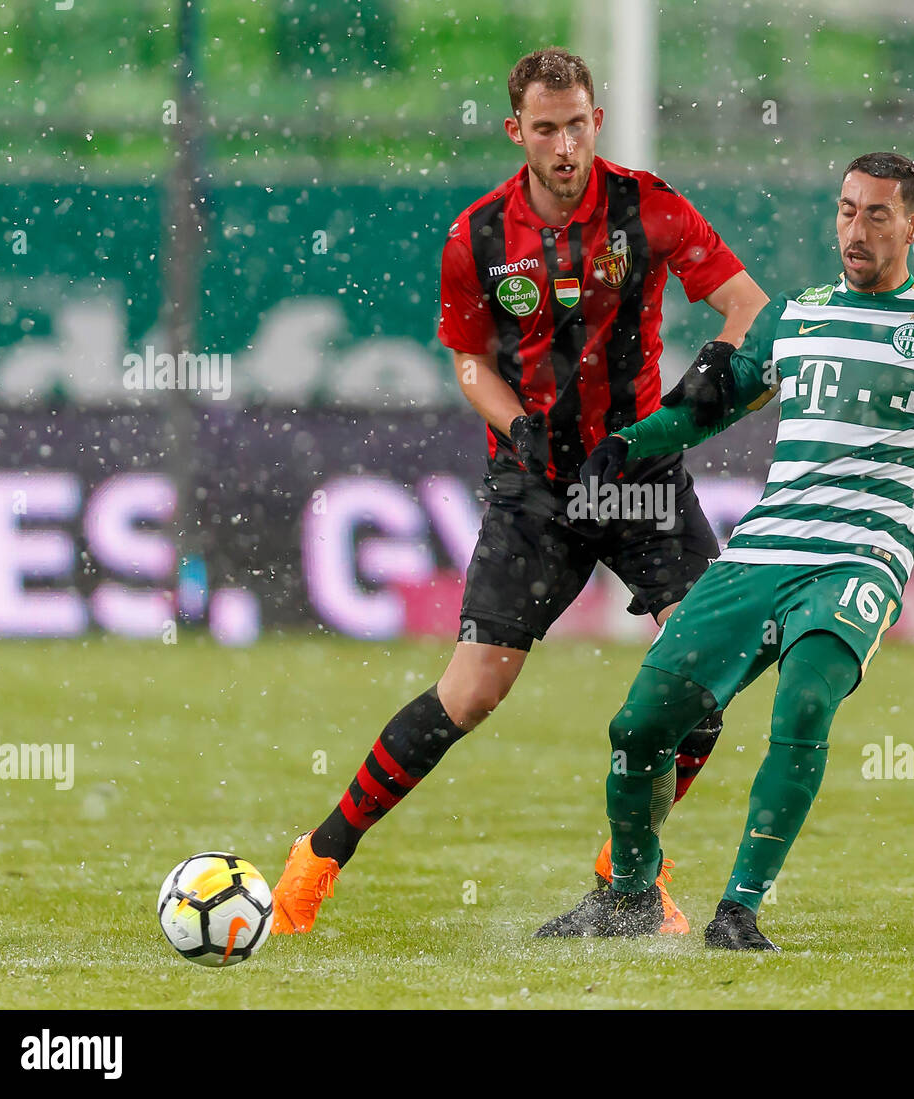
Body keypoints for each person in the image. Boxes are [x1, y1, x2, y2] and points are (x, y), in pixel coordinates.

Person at [271, 47, 769, 936]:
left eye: (578, 123)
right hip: (537, 491)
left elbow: (746, 304)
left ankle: (626, 881)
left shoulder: (647, 207)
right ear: (517, 132)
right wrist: (517, 423)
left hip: (638, 478)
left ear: (596, 122)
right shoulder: (478, 237)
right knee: (470, 695)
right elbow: (468, 360)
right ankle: (317, 857)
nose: (566, 143)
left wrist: (712, 375)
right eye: (547, 128)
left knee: (706, 681)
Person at [535, 151, 914, 950]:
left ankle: (737, 909)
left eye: (878, 214)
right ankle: (630, 896)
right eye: (847, 209)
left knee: (805, 703)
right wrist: (625, 446)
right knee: (638, 726)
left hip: (860, 557)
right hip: (759, 554)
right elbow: (707, 410)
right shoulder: (793, 314)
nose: (857, 228)